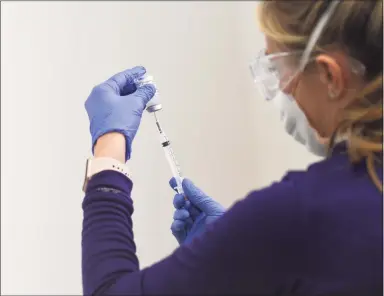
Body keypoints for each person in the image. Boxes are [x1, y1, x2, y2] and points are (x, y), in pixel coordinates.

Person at [82, 1, 383, 295]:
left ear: (331, 76)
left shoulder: (300, 214)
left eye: (277, 70)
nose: (278, 91)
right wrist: (255, 263)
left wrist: (109, 147)